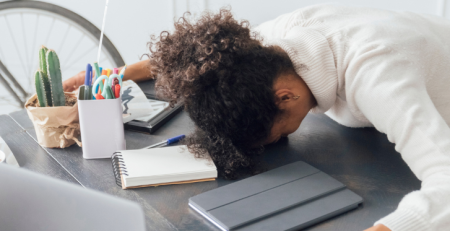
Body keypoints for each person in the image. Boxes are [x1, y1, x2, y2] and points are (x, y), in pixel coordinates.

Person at [64, 3, 450, 231]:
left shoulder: (378, 76)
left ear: (286, 96)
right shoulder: (273, 46)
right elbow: (212, 61)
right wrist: (121, 74)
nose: (267, 144)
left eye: (267, 135)